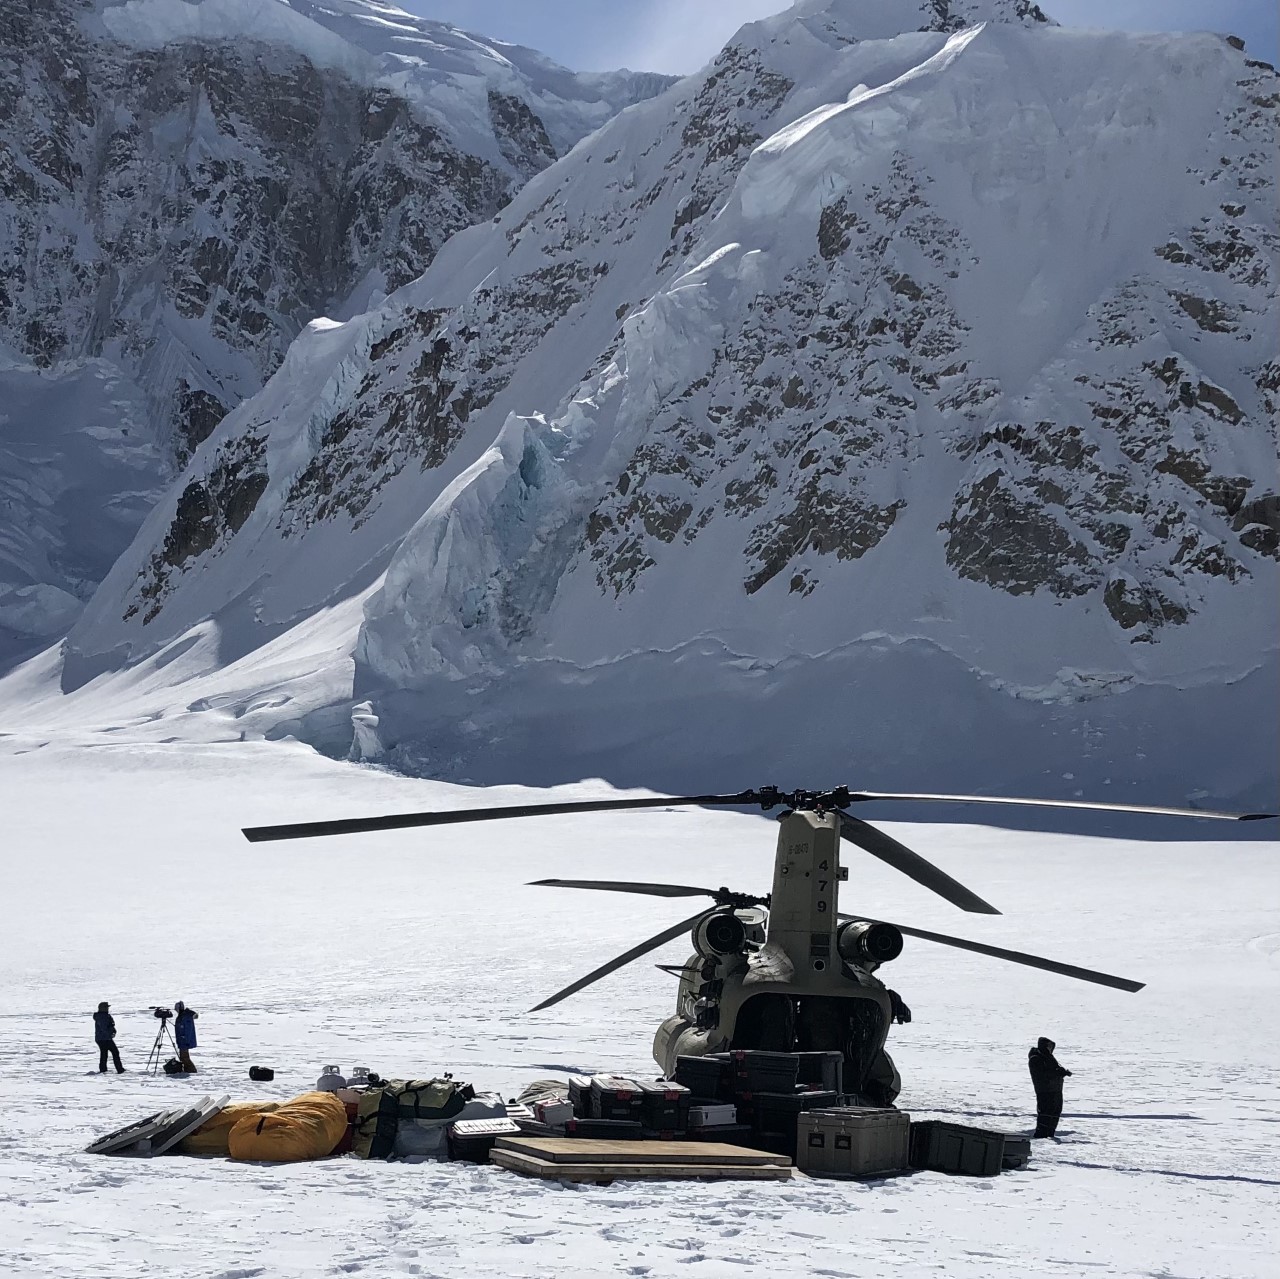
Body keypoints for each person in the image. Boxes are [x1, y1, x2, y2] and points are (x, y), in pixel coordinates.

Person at [1028, 1036, 1071, 1138]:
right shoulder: (1036, 1058)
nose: (1050, 1049)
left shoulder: (1049, 1058)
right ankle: (1041, 1134)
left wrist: (1062, 1072)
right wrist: (1057, 1073)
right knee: (1046, 1113)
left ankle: (1050, 1133)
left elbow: (1053, 1070)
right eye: (1049, 1046)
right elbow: (1042, 1074)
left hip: (1055, 1089)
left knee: (1055, 1112)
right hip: (1045, 1090)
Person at [93, 1001, 125, 1074]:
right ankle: (119, 1069)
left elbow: (109, 1026)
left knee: (105, 1054)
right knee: (114, 1052)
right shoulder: (102, 1017)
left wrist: (113, 1031)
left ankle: (104, 1069)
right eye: (106, 1007)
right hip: (104, 1038)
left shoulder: (104, 1016)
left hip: (102, 1038)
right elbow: (104, 1028)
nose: (108, 1009)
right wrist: (110, 1034)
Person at [174, 1001, 199, 1073]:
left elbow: (187, 1029)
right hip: (182, 1040)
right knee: (183, 1057)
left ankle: (192, 1070)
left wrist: (185, 1039)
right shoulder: (182, 1016)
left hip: (184, 1040)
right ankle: (187, 1070)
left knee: (185, 1057)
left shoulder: (185, 1016)